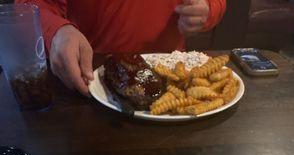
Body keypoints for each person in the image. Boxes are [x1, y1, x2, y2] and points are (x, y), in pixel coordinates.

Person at [16, 0, 226, 96]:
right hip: (90, 83)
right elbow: (28, 5)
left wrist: (209, 9)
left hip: (175, 82)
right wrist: (57, 32)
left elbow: (216, 3)